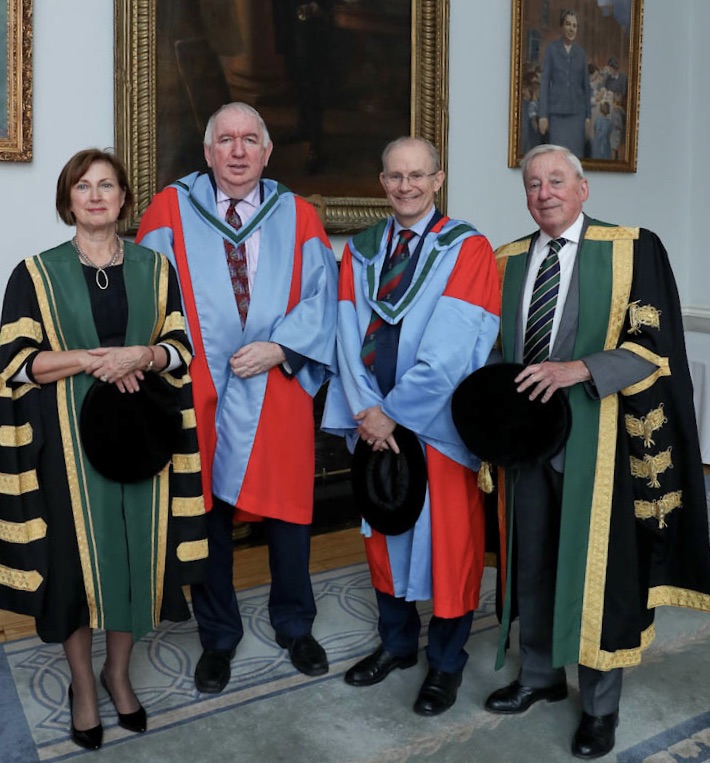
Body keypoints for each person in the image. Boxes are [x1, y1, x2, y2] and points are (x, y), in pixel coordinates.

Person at [484, 144, 710, 759]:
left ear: (584, 190)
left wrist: (579, 368)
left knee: (595, 572)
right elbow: (494, 352)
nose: (544, 193)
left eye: (557, 181)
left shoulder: (633, 248)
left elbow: (654, 343)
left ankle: (600, 706)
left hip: (599, 437)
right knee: (529, 559)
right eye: (533, 184)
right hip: (527, 443)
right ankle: (538, 676)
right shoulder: (505, 260)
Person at [0, 149, 207, 750]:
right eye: (82, 186)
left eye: (107, 185)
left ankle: (118, 674)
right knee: (71, 567)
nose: (95, 195)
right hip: (65, 448)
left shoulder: (154, 266)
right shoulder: (34, 274)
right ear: (67, 200)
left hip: (139, 442)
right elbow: (16, 363)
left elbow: (179, 348)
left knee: (132, 560)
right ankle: (83, 684)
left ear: (123, 199)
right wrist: (95, 360)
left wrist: (140, 356)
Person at [136, 102, 338, 694]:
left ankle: (296, 625)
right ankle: (218, 637)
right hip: (200, 386)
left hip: (275, 386)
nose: (239, 150)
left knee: (289, 515)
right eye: (226, 139)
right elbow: (151, 294)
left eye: (251, 139)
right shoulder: (172, 209)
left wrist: (281, 349)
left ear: (268, 152)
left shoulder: (297, 214)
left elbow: (323, 298)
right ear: (208, 152)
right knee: (210, 516)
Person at [322, 137, 500, 716]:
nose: (406, 186)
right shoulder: (363, 250)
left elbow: (452, 352)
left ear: (437, 179)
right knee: (386, 536)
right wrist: (367, 412)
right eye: (395, 176)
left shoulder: (467, 248)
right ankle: (398, 645)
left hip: (436, 426)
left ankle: (446, 664)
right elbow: (347, 338)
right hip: (374, 422)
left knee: (450, 546)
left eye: (417, 175)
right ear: (382, 182)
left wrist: (392, 413)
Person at [538, 9, 591, 159]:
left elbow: (586, 86)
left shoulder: (581, 54)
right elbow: (544, 83)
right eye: (568, 24)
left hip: (577, 115)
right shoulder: (552, 50)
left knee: (574, 161)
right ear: (561, 26)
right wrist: (543, 115)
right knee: (556, 159)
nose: (571, 29)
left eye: (574, 26)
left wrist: (588, 116)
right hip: (557, 114)